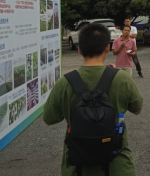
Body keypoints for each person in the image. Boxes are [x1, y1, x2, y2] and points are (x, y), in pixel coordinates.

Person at [43, 23, 143, 176]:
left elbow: (49, 118)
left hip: (76, 167)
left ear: (79, 50)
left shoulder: (64, 82)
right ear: (107, 48)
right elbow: (137, 109)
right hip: (117, 166)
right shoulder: (121, 78)